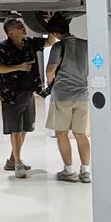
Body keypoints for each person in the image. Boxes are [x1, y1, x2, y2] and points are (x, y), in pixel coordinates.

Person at [0, 18, 55, 178]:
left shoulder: (29, 43)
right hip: (12, 95)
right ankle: (18, 163)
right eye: (18, 26)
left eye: (21, 25)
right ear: (10, 32)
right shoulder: (3, 47)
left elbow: (49, 42)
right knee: (16, 129)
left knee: (26, 127)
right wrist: (18, 67)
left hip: (28, 92)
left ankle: (12, 160)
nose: (22, 27)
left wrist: (51, 25)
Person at [44, 14, 91, 183]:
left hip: (62, 96)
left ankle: (69, 170)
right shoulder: (85, 44)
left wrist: (51, 83)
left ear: (56, 33)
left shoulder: (58, 46)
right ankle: (85, 171)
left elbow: (50, 70)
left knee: (62, 133)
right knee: (80, 134)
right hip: (82, 96)